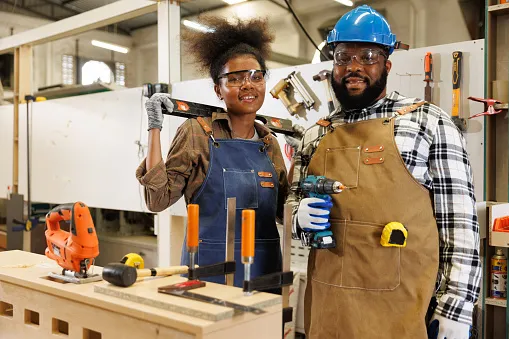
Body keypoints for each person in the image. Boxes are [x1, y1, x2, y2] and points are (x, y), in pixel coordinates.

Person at [287, 5, 481, 339]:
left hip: (405, 313)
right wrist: (297, 218)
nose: (354, 67)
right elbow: (293, 204)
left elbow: (460, 225)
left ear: (387, 65)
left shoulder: (428, 123)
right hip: (329, 310)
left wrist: (456, 310)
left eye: (368, 57)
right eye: (344, 57)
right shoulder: (314, 134)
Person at [136, 17, 288, 288]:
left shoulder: (270, 143)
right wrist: (155, 127)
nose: (248, 85)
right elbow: (157, 200)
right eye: (235, 78)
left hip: (265, 272)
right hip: (209, 272)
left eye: (256, 76)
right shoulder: (198, 132)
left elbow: (284, 213)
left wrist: (303, 163)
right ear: (218, 89)